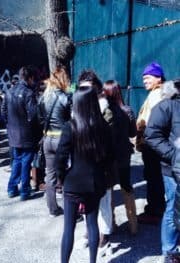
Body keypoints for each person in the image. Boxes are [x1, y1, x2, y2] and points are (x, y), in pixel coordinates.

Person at [56, 85, 113, 263]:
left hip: (73, 182)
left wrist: (62, 177)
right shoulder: (103, 126)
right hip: (96, 182)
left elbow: (60, 157)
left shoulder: (70, 126)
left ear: (78, 104)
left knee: (69, 228)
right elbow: (110, 156)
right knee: (92, 223)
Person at [78, 70, 115, 253]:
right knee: (87, 202)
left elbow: (109, 143)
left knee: (104, 201)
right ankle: (90, 229)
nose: (86, 92)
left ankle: (105, 232)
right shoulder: (78, 109)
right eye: (82, 88)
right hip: (84, 166)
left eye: (89, 88)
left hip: (102, 165)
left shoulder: (105, 110)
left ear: (98, 89)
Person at [145, 79, 180, 263]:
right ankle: (170, 251)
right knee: (173, 207)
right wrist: (174, 155)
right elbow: (151, 135)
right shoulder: (167, 106)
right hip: (173, 170)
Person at [103, 80, 137, 235]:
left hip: (108, 156)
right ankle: (133, 226)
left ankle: (111, 225)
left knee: (108, 190)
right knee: (127, 187)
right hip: (124, 154)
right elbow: (132, 133)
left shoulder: (103, 112)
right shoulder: (128, 110)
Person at [38, 66, 72, 217]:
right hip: (61, 139)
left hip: (47, 138)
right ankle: (71, 212)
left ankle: (53, 209)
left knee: (50, 175)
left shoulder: (44, 97)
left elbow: (39, 118)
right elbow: (71, 119)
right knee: (65, 175)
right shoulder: (65, 98)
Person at [1, 66, 39, 201]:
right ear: (30, 78)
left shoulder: (9, 91)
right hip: (26, 134)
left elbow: (3, 111)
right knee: (26, 162)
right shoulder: (29, 93)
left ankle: (12, 188)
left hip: (13, 133)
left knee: (17, 161)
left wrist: (10, 125)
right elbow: (34, 115)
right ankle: (24, 191)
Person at [136, 62, 166, 224]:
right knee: (154, 176)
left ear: (158, 78)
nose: (144, 81)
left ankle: (155, 210)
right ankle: (155, 208)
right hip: (155, 144)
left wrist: (139, 130)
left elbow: (149, 122)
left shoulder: (157, 95)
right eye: (143, 78)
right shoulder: (159, 93)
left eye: (148, 78)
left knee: (153, 177)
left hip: (152, 145)